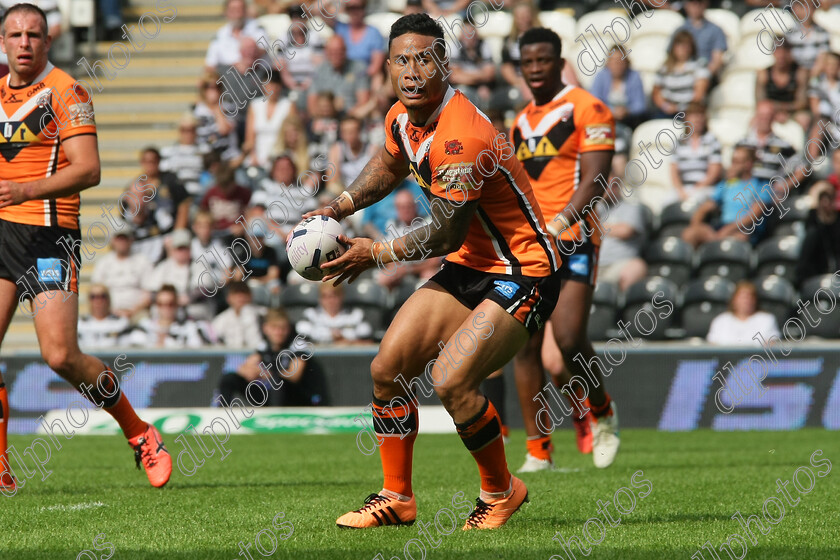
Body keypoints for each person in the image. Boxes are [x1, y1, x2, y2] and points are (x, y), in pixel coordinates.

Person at [310, 14, 563, 530]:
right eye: (402, 59)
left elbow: (445, 233)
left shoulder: (462, 135)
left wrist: (374, 252)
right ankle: (396, 498)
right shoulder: (401, 117)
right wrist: (337, 207)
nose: (412, 70)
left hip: (525, 270)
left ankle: (500, 492)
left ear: (444, 65)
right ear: (387, 66)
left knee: (451, 380)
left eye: (424, 58)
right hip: (471, 265)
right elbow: (389, 166)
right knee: (387, 369)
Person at [0, 3, 171, 491]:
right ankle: (1, 469)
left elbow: (89, 169)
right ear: (3, 42)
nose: (25, 42)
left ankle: (139, 432)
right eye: (15, 34)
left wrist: (27, 190)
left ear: (48, 41)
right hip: (2, 232)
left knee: (60, 356)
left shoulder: (66, 92)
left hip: (49, 234)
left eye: (34, 34)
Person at [509, 27, 619, 472]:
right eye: (528, 62)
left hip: (574, 237)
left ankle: (603, 412)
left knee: (571, 339)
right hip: (531, 247)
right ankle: (539, 451)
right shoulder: (519, 121)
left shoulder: (588, 108)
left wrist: (558, 224)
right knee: (525, 346)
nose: (535, 69)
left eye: (543, 61)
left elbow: (595, 182)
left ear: (559, 62)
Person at [218, 308, 327, 406]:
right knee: (230, 378)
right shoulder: (264, 346)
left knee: (277, 381)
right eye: (274, 328)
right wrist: (253, 371)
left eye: (282, 328)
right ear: (266, 328)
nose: (278, 332)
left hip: (297, 397)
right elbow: (244, 368)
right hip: (272, 395)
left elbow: (295, 375)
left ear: (288, 329)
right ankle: (222, 413)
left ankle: (275, 419)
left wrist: (267, 374)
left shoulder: (297, 345)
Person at [681, 144, 772, 247]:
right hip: (721, 227)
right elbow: (707, 206)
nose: (732, 165)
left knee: (738, 239)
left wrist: (727, 230)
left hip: (745, 231)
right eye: (732, 161)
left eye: (736, 162)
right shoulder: (726, 184)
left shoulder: (762, 186)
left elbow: (752, 216)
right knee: (690, 234)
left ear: (748, 164)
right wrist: (696, 223)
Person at [122, 147, 192, 263]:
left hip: (168, 230)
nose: (150, 165)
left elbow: (184, 203)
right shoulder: (137, 183)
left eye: (153, 161)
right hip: (147, 233)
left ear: (159, 162)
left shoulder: (170, 180)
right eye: (146, 161)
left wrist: (178, 231)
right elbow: (125, 209)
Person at [91, 223, 153, 319]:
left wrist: (132, 311)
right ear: (112, 241)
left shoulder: (142, 261)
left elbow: (148, 294)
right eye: (119, 239)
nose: (122, 242)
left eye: (125, 238)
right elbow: (97, 291)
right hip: (108, 313)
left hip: (137, 313)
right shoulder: (103, 263)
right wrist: (111, 311)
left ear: (131, 240)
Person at [125, 284, 212, 348]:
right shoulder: (144, 327)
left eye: (170, 304)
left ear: (177, 304)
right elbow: (135, 352)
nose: (165, 308)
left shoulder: (189, 327)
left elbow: (196, 352)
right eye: (161, 304)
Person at [241, 73, 297, 169]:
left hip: (280, 155)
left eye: (275, 85)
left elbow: (292, 136)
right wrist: (253, 156)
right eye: (269, 85)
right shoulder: (255, 105)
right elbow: (250, 138)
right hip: (258, 157)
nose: (272, 89)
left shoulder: (288, 105)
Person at [671, 102, 723, 203]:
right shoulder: (679, 142)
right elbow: (673, 171)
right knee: (667, 202)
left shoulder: (712, 141)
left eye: (700, 115)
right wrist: (680, 190)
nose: (697, 119)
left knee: (696, 200)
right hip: (683, 188)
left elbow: (714, 172)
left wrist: (696, 189)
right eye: (694, 115)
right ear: (687, 119)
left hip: (704, 188)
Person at [307, 35, 371, 117]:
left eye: (339, 51)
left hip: (352, 118)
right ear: (326, 52)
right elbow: (312, 105)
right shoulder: (319, 71)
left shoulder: (358, 68)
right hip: (326, 116)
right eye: (332, 52)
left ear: (345, 51)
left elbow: (363, 101)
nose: (336, 55)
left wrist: (348, 115)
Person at [652, 30, 710, 118]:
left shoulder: (699, 66)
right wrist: (666, 106)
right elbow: (656, 92)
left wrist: (679, 108)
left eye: (686, 46)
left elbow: (699, 94)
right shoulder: (664, 68)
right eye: (680, 45)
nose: (683, 49)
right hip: (667, 111)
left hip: (689, 111)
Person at [755, 40, 809, 130]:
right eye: (778, 52)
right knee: (755, 121)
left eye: (784, 53)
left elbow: (802, 103)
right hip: (770, 111)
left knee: (804, 119)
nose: (781, 57)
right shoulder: (763, 74)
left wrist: (782, 109)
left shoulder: (800, 73)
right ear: (773, 53)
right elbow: (760, 102)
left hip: (793, 112)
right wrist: (775, 112)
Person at [295, 283, 373, 344]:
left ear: (342, 296)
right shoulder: (309, 315)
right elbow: (300, 344)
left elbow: (369, 343)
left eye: (334, 296)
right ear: (319, 298)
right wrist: (329, 343)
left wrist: (347, 342)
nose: (330, 301)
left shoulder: (356, 315)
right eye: (325, 296)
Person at [707, 281, 781, 345]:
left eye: (749, 297)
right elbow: (713, 347)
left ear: (755, 300)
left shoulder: (767, 320)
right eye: (742, 297)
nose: (746, 301)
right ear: (734, 299)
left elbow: (772, 346)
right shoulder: (720, 321)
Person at [590, 48, 647, 130]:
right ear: (608, 62)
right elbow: (595, 102)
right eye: (613, 61)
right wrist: (612, 111)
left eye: (620, 60)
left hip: (629, 121)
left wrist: (627, 111)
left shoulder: (634, 76)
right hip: (605, 121)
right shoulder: (600, 76)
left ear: (626, 62)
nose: (617, 64)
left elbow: (640, 105)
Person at [204, 0, 266, 74]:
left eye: (240, 9)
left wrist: (250, 58)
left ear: (246, 11)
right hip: (229, 78)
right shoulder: (220, 34)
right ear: (226, 12)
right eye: (233, 10)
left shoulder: (257, 27)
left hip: (256, 75)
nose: (237, 14)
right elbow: (210, 64)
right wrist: (235, 65)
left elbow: (264, 49)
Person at [796, 182, 840, 286]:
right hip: (815, 268)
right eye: (823, 200)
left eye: (829, 199)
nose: (826, 205)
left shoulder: (838, 220)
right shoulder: (812, 220)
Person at [672, 0, 727, 79]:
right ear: (686, 5)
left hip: (705, 76)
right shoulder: (679, 30)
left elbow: (717, 61)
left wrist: (703, 77)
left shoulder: (716, 30)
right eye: (692, 2)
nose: (696, 5)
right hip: (681, 75)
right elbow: (672, 59)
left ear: (706, 3)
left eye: (700, 2)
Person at [160, 114, 209, 198]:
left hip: (200, 193)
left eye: (191, 130)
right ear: (179, 131)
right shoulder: (167, 152)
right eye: (184, 130)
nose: (188, 133)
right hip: (176, 195)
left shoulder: (205, 150)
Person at [327, 116, 377, 196]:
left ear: (360, 131)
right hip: (345, 194)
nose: (349, 135)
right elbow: (332, 182)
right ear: (341, 134)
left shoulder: (371, 149)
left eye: (352, 131)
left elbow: (375, 179)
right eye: (345, 132)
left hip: (367, 193)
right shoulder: (336, 150)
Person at [210, 281, 265, 348]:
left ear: (251, 296)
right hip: (230, 355)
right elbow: (212, 340)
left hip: (256, 354)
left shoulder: (262, 314)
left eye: (244, 293)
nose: (241, 297)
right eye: (236, 294)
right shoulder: (222, 318)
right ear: (228, 298)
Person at [77, 285, 131, 350]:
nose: (98, 300)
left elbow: (126, 349)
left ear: (109, 299)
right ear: (89, 300)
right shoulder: (80, 323)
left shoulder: (121, 322)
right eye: (93, 297)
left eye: (103, 296)